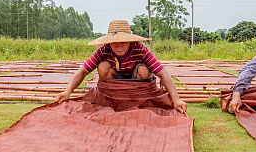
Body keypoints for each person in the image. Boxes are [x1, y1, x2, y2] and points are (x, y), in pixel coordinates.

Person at [53, 19, 187, 113]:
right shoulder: (104, 50)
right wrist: (67, 91)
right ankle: (113, 99)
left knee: (144, 70)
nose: (118, 46)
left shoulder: (140, 49)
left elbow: (163, 73)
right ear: (109, 42)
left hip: (137, 82)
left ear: (130, 40)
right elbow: (83, 71)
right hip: (115, 80)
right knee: (102, 67)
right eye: (114, 42)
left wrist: (176, 100)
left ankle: (138, 101)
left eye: (123, 41)